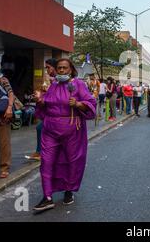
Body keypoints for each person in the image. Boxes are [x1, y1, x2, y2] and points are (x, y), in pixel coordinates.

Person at [33, 58, 96, 213]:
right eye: (59, 68)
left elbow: (91, 103)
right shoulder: (52, 85)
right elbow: (44, 107)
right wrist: (40, 101)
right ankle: (47, 196)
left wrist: (79, 104)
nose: (61, 71)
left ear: (70, 69)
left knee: (72, 161)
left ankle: (69, 190)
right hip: (50, 130)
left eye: (64, 68)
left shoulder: (78, 84)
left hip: (72, 130)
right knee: (46, 162)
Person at [27, 59, 57, 161]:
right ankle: (40, 152)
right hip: (50, 113)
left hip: (58, 115)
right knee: (40, 128)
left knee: (41, 128)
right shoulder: (53, 81)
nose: (47, 70)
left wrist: (41, 98)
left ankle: (41, 152)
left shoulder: (60, 82)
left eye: (48, 67)